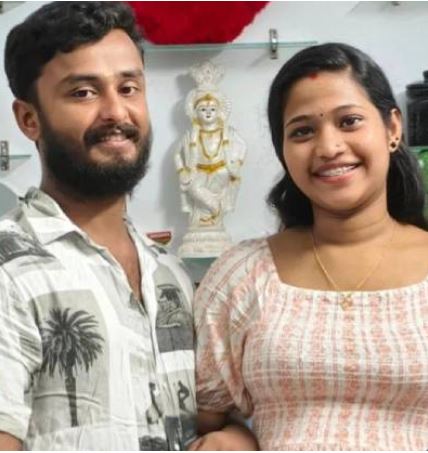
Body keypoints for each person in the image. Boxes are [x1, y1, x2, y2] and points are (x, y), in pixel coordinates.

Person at [194, 42, 428, 450]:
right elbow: (204, 416)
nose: (329, 148)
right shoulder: (243, 274)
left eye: (349, 121)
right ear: (283, 152)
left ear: (393, 128)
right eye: (302, 131)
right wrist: (233, 439)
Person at [0, 2, 198, 450]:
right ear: (29, 119)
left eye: (128, 88)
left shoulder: (170, 273)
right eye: (84, 93)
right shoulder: (8, 270)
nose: (116, 112)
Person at [175, 80, 246, 230]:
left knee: (219, 186)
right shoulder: (191, 135)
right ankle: (215, 209)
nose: (208, 113)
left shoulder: (227, 132)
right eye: (203, 109)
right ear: (195, 113)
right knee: (193, 189)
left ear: (219, 112)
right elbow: (176, 153)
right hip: (199, 172)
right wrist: (182, 171)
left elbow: (242, 146)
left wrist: (236, 164)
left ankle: (214, 217)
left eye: (212, 109)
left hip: (221, 171)